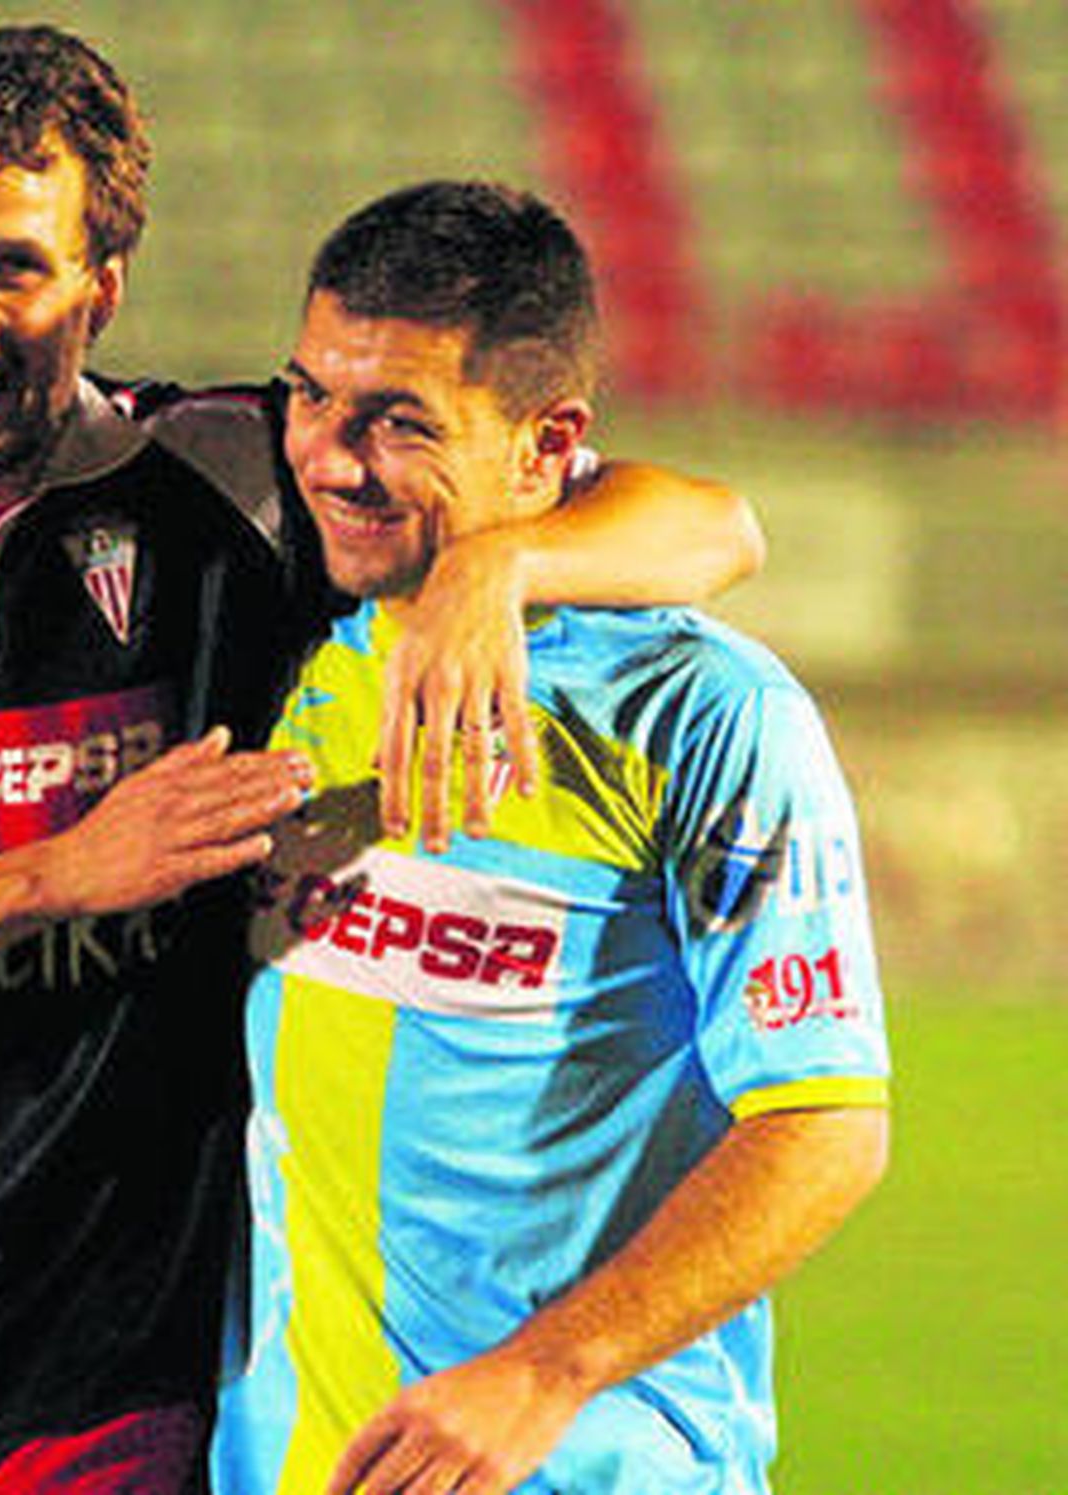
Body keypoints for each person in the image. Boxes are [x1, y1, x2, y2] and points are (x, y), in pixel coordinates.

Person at [0, 27, 761, 1495]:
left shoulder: (237, 482)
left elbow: (713, 526)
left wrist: (501, 567)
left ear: (101, 287)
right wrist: (57, 879)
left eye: (16, 266)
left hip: (134, 1378)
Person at [210, 181, 890, 1495]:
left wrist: (545, 1372)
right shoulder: (285, 633)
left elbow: (823, 1126)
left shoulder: (704, 716)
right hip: (294, 1467)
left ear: (547, 446)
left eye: (401, 424)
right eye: (310, 397)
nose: (330, 459)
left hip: (594, 1467)